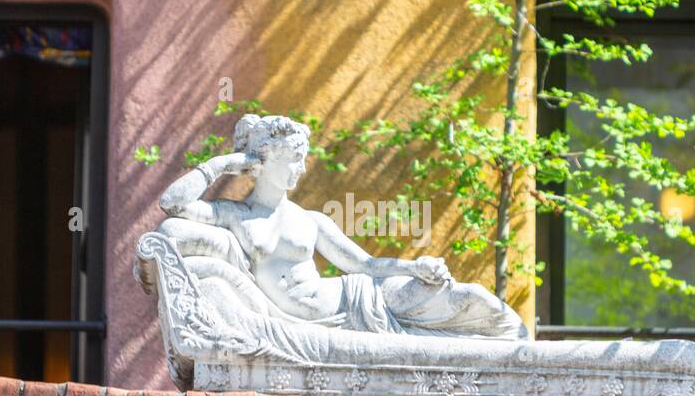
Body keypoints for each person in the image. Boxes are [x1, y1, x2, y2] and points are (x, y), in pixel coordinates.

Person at [156, 114, 527, 339]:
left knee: (470, 298)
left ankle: (520, 353)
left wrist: (415, 267)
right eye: (294, 160)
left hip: (358, 297)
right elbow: (173, 205)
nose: (301, 169)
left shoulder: (310, 221)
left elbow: (366, 266)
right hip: (325, 315)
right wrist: (221, 164)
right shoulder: (233, 215)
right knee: (465, 306)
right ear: (263, 161)